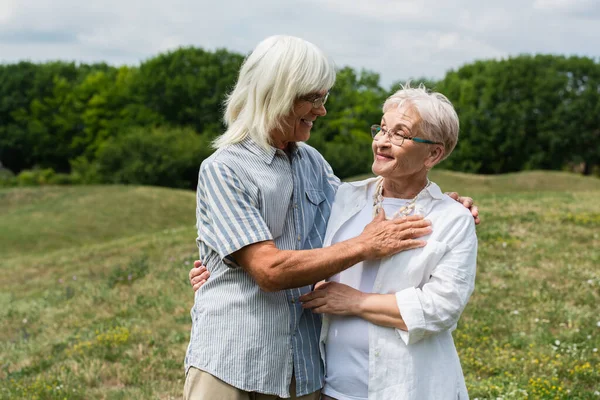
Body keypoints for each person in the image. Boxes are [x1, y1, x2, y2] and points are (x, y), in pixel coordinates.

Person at [185, 35, 479, 399]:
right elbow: (268, 270)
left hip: (302, 366)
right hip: (235, 359)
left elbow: (368, 207)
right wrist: (364, 246)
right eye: (314, 99)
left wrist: (444, 204)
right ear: (278, 95)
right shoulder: (224, 169)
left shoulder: (313, 164)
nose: (322, 110)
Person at [298, 85, 477, 399]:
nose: (381, 141)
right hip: (331, 387)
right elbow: (300, 250)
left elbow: (441, 308)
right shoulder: (343, 197)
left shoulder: (452, 219)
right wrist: (224, 273)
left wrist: (354, 302)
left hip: (409, 388)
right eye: (381, 128)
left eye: (400, 134)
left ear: (433, 154)